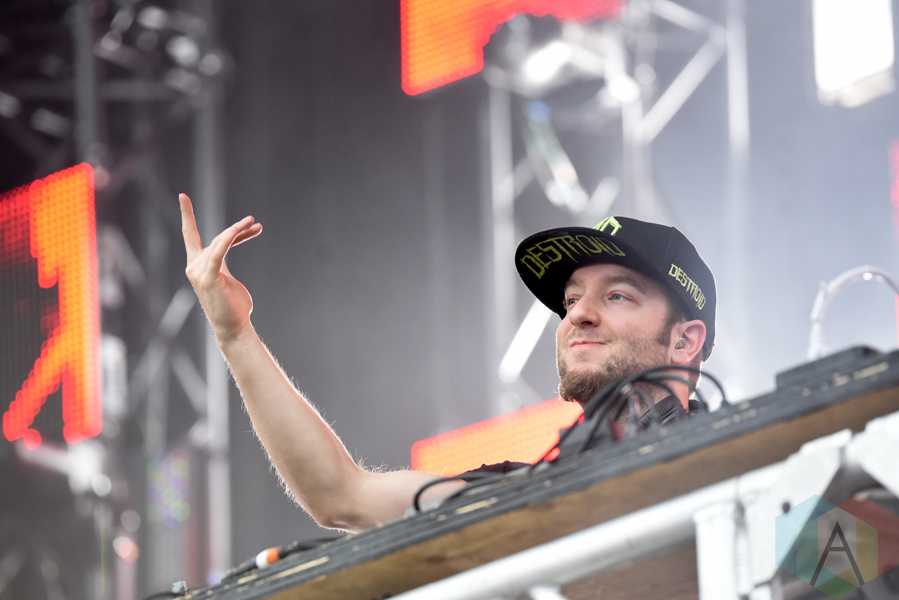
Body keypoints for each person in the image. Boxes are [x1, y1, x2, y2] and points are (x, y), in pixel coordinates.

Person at [179, 196, 716, 533]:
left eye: (617, 295)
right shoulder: (517, 493)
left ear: (685, 340)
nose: (578, 315)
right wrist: (235, 334)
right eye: (571, 299)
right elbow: (339, 496)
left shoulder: (742, 463)